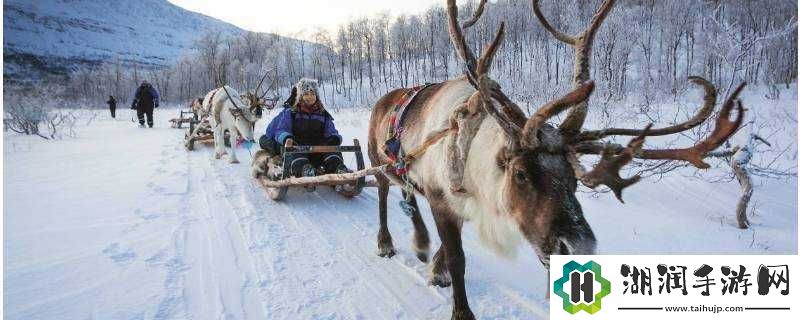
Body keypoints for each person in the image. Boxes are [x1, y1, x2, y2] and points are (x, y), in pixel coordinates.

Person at [260, 78, 348, 182]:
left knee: (333, 151)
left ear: (317, 96)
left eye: (312, 93)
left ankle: (338, 169)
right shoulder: (291, 113)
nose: (310, 97)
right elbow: (281, 130)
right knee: (295, 153)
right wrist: (287, 137)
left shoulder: (323, 114)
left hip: (318, 150)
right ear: (300, 96)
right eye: (306, 94)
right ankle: (305, 171)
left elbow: (331, 131)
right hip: (298, 147)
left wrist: (334, 138)